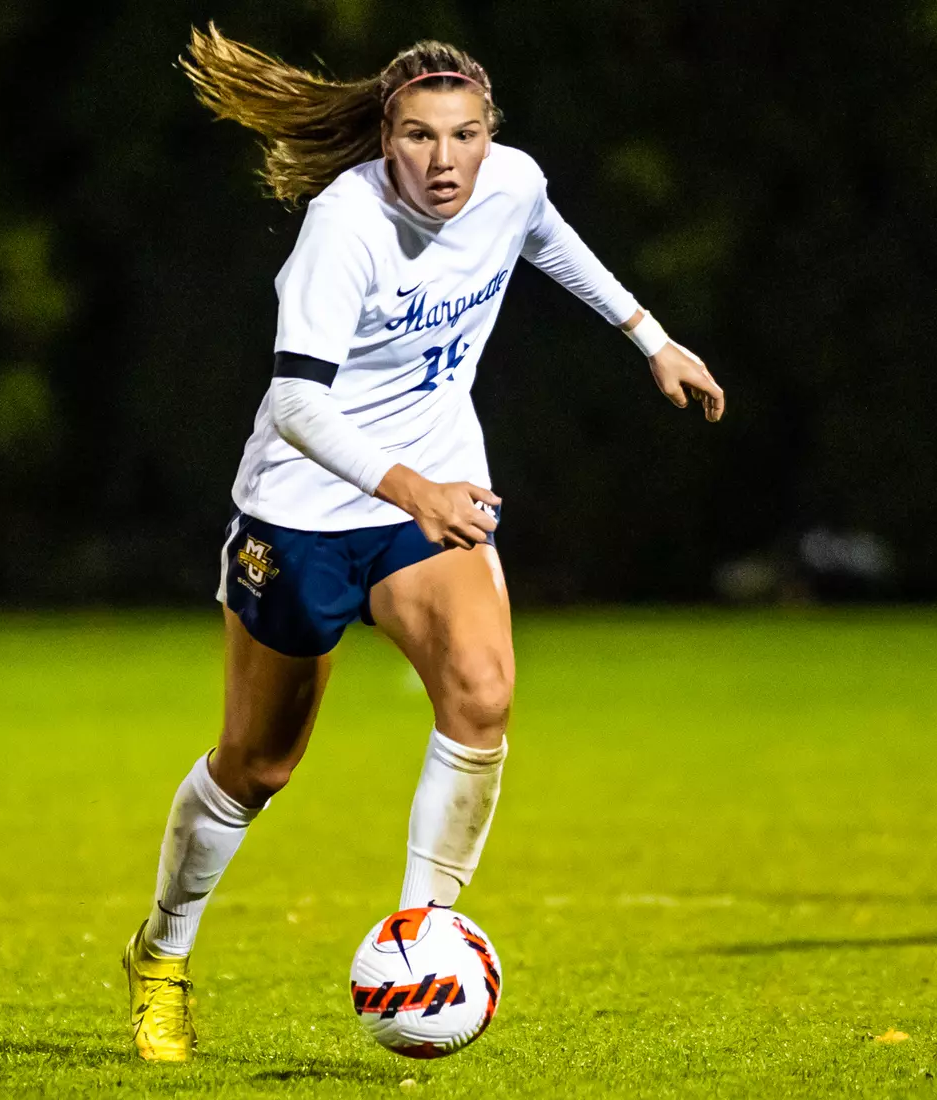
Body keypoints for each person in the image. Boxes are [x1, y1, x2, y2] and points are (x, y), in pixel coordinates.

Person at [123, 23, 725, 1062]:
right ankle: (159, 954)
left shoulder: (508, 182)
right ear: (383, 139)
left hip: (427, 499)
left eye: (464, 134)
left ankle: (416, 941)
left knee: (482, 692)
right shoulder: (342, 226)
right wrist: (413, 488)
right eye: (417, 136)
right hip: (305, 510)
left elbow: (545, 234)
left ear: (490, 134)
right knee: (257, 762)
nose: (444, 160)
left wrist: (649, 336)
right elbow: (297, 404)